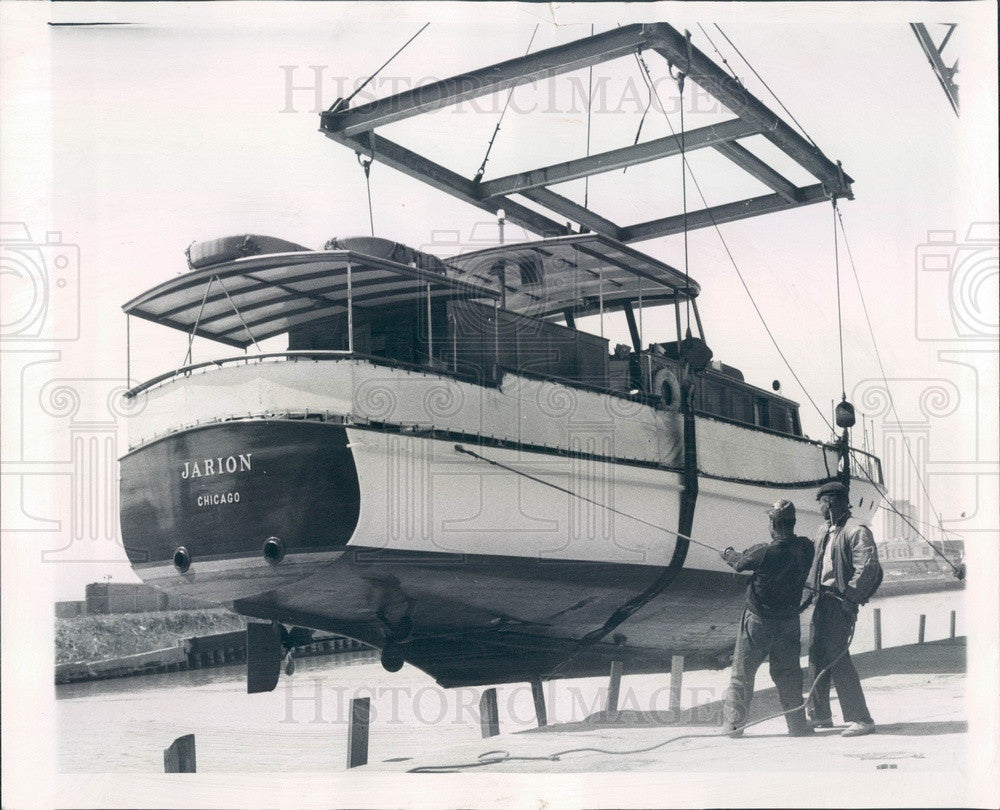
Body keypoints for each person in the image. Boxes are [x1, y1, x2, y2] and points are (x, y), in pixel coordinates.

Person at [720, 499, 815, 738]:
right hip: (789, 624)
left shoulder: (764, 552)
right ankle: (797, 726)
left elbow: (740, 563)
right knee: (789, 676)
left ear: (772, 523)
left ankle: (734, 726)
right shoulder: (805, 548)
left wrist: (728, 553)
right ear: (793, 523)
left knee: (742, 675)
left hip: (758, 623)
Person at [807, 481, 881, 737]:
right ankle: (820, 715)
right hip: (822, 601)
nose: (819, 508)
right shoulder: (824, 530)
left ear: (830, 502)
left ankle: (861, 718)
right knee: (816, 655)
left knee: (839, 659)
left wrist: (851, 598)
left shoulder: (856, 531)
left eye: (821, 503)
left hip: (840, 602)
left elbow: (868, 567)